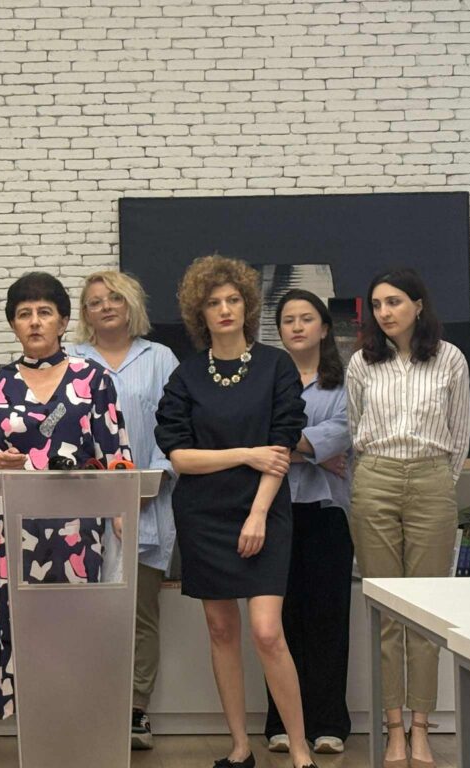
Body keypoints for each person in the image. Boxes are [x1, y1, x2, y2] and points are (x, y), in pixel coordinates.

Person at [154, 255, 316, 768]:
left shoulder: (276, 366)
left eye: (233, 300)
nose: (224, 309)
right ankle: (240, 747)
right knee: (222, 630)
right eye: (213, 303)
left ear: (247, 306)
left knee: (267, 631)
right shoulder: (186, 375)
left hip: (263, 510)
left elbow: (281, 447)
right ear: (199, 313)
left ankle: (300, 749)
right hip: (203, 514)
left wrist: (258, 513)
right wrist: (246, 453)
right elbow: (180, 457)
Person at [0, 271, 132, 719]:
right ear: (13, 324)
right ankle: (31, 729)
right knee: (19, 626)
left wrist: (120, 512)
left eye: (44, 312)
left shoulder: (93, 380)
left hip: (78, 529)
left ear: (63, 321)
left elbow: (116, 452)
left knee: (77, 627)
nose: (34, 322)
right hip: (11, 529)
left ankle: (75, 723)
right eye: (24, 314)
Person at [346, 268, 470, 768]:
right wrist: (374, 474)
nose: (385, 312)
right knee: (386, 611)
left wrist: (438, 481)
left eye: (394, 302)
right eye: (377, 304)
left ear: (418, 305)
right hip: (375, 477)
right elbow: (354, 429)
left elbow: (459, 433)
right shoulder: (362, 362)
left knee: (425, 612)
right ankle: (393, 728)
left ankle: (421, 728)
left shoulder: (449, 358)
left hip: (431, 479)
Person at [70, 270, 178, 751]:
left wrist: (145, 487)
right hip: (82, 505)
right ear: (85, 314)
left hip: (147, 501)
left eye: (115, 297)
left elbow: (175, 427)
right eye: (95, 301)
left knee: (139, 614)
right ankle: (91, 706)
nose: (106, 306)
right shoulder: (70, 360)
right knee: (85, 612)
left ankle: (134, 710)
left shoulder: (161, 359)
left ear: (131, 304)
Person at [265, 289, 354, 756]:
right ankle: (281, 725)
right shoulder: (268, 381)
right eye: (288, 320)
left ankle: (329, 724)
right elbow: (255, 436)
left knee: (327, 619)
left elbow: (342, 435)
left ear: (324, 328)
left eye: (306, 318)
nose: (297, 326)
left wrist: (288, 447)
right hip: (273, 511)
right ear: (279, 331)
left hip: (326, 513)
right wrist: (314, 454)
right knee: (277, 623)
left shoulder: (346, 383)